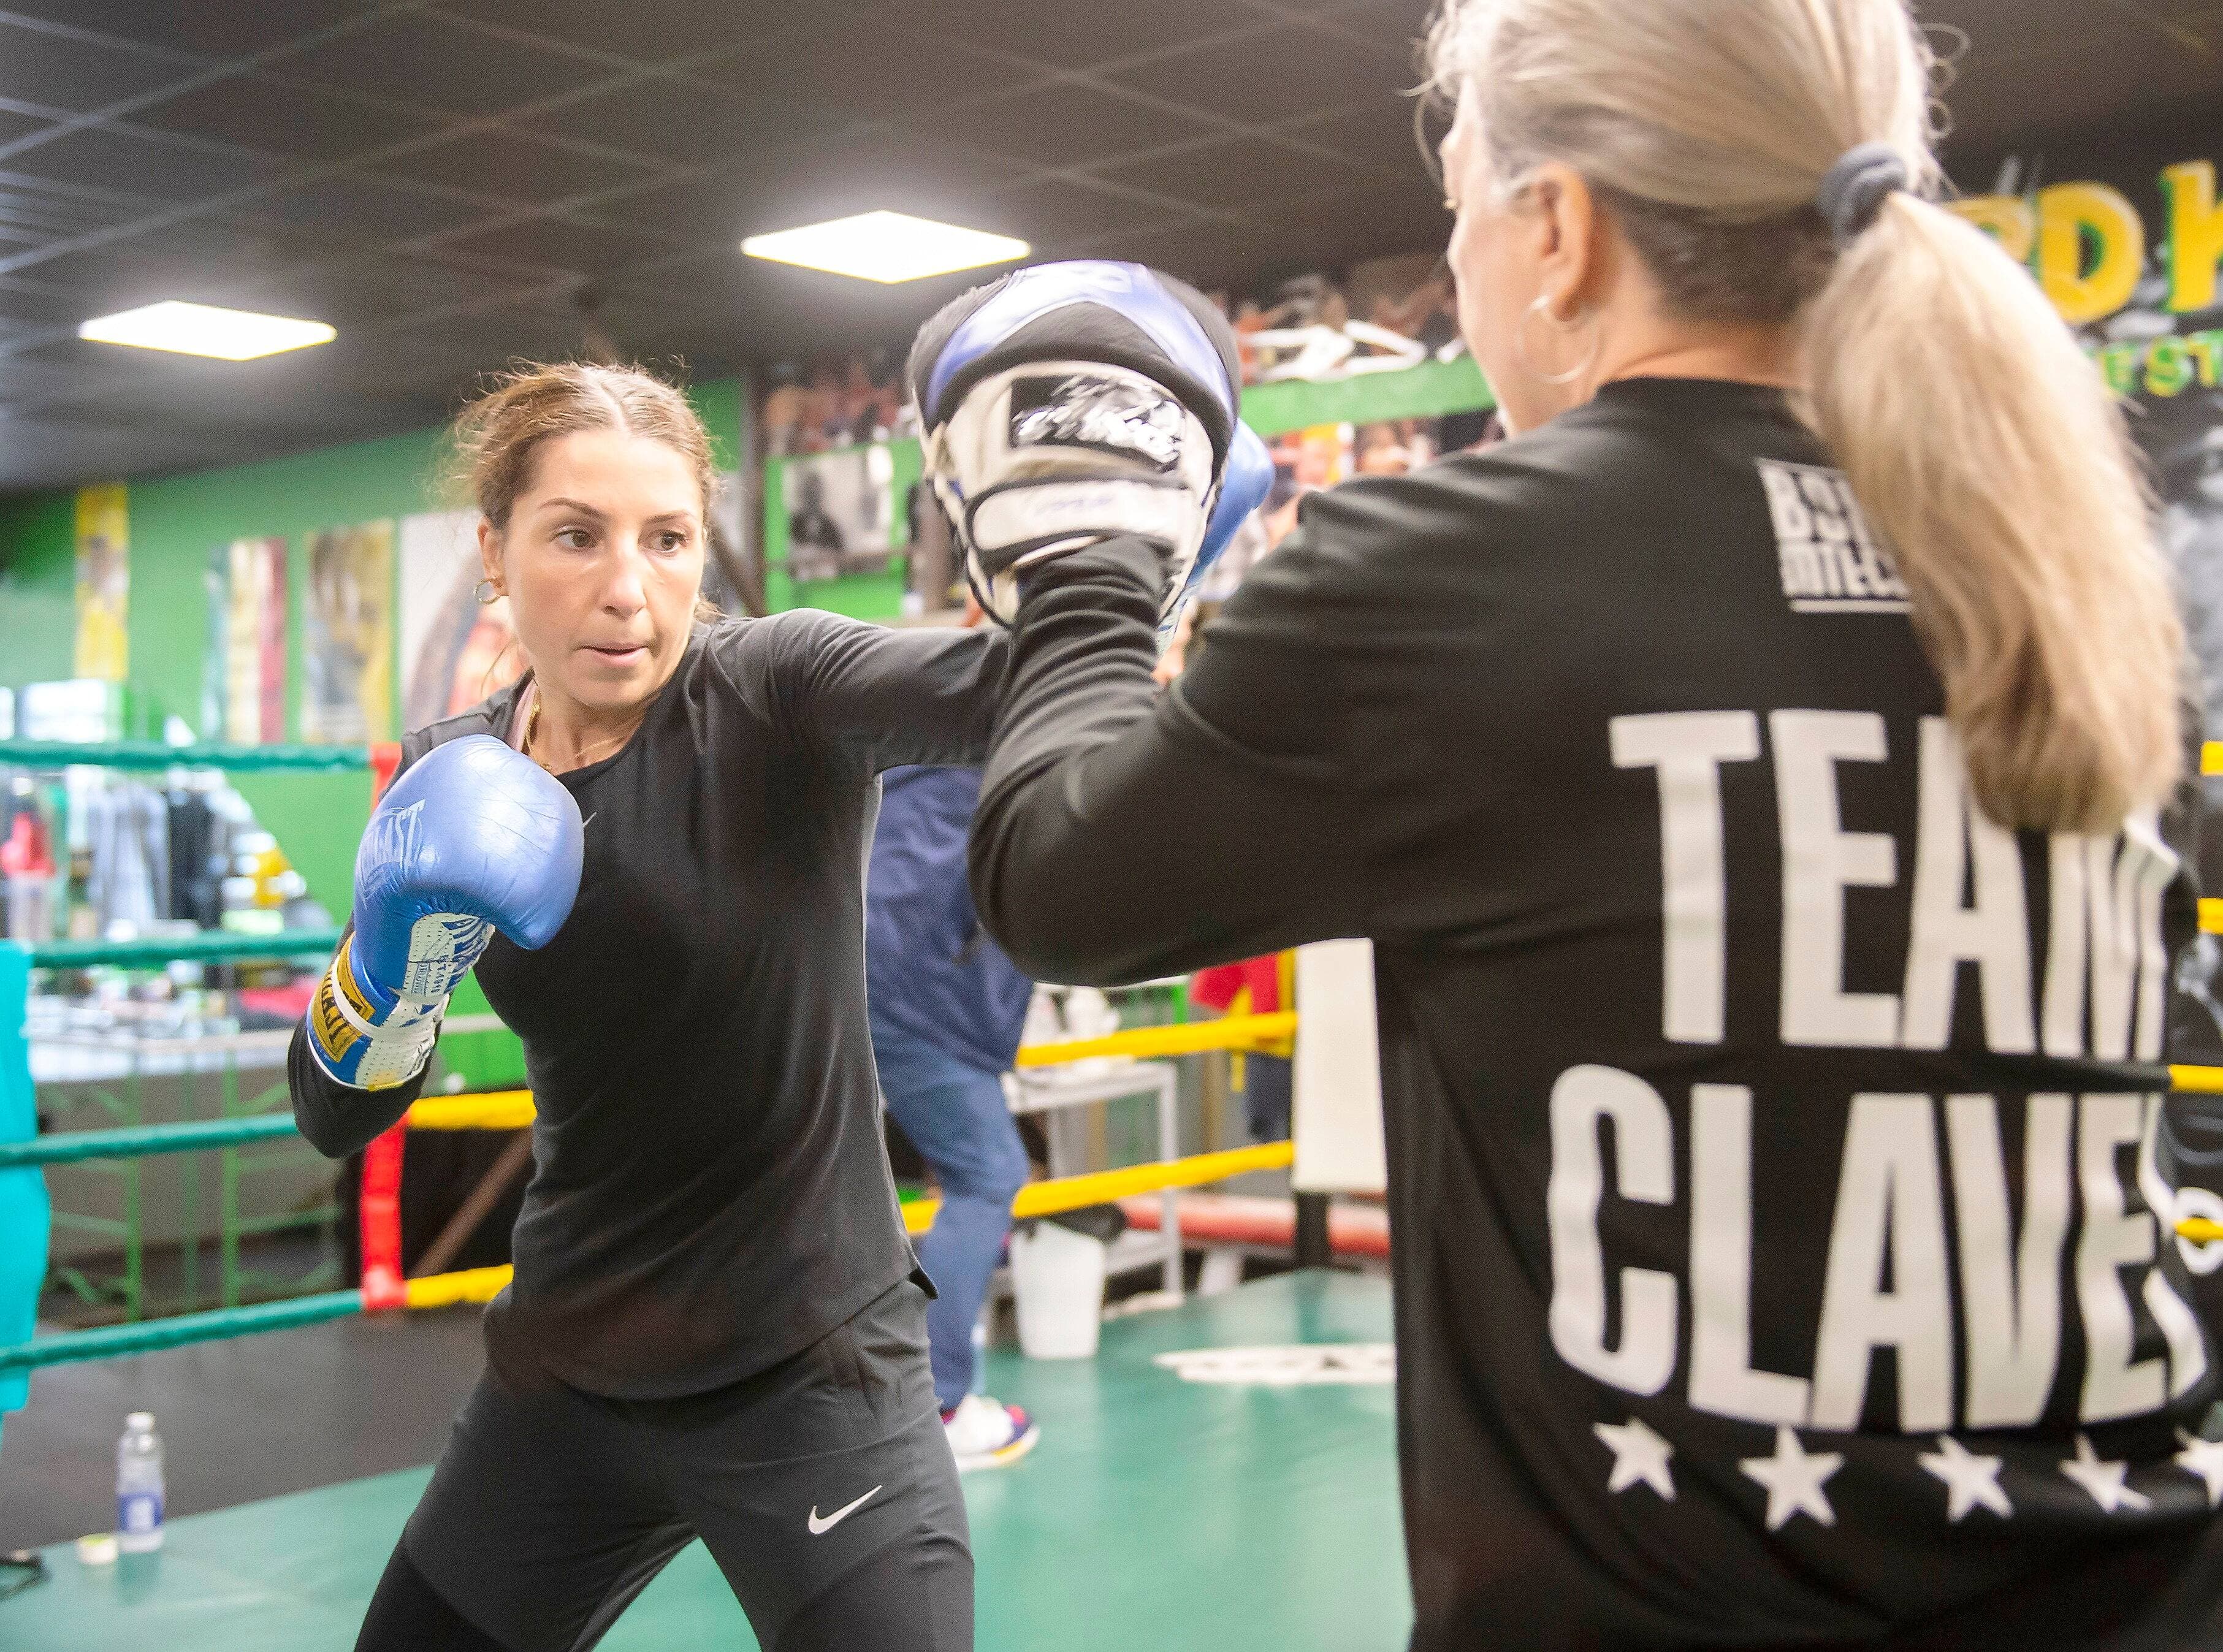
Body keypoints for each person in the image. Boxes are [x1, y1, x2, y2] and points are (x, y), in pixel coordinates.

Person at [918, 0, 2219, 1645]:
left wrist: (1089, 568)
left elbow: (1055, 885)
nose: (1458, 261)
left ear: (1558, 230)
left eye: (1459, 205)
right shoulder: (2066, 594)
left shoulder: (1436, 579)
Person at [288, 362, 1002, 1651]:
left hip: (809, 1369)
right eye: (577, 535)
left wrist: (1111, 582)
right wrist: (397, 973)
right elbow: (335, 1111)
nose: (629, 589)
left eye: (667, 539)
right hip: (566, 1371)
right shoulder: (454, 768)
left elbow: (995, 697)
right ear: (494, 551)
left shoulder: (777, 693)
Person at [864, 680, 1041, 1469]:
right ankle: (934, 1404)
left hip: (838, 967)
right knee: (987, 1171)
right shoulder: (1026, 752)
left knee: (819, 1187)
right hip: (915, 996)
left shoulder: (913, 740)